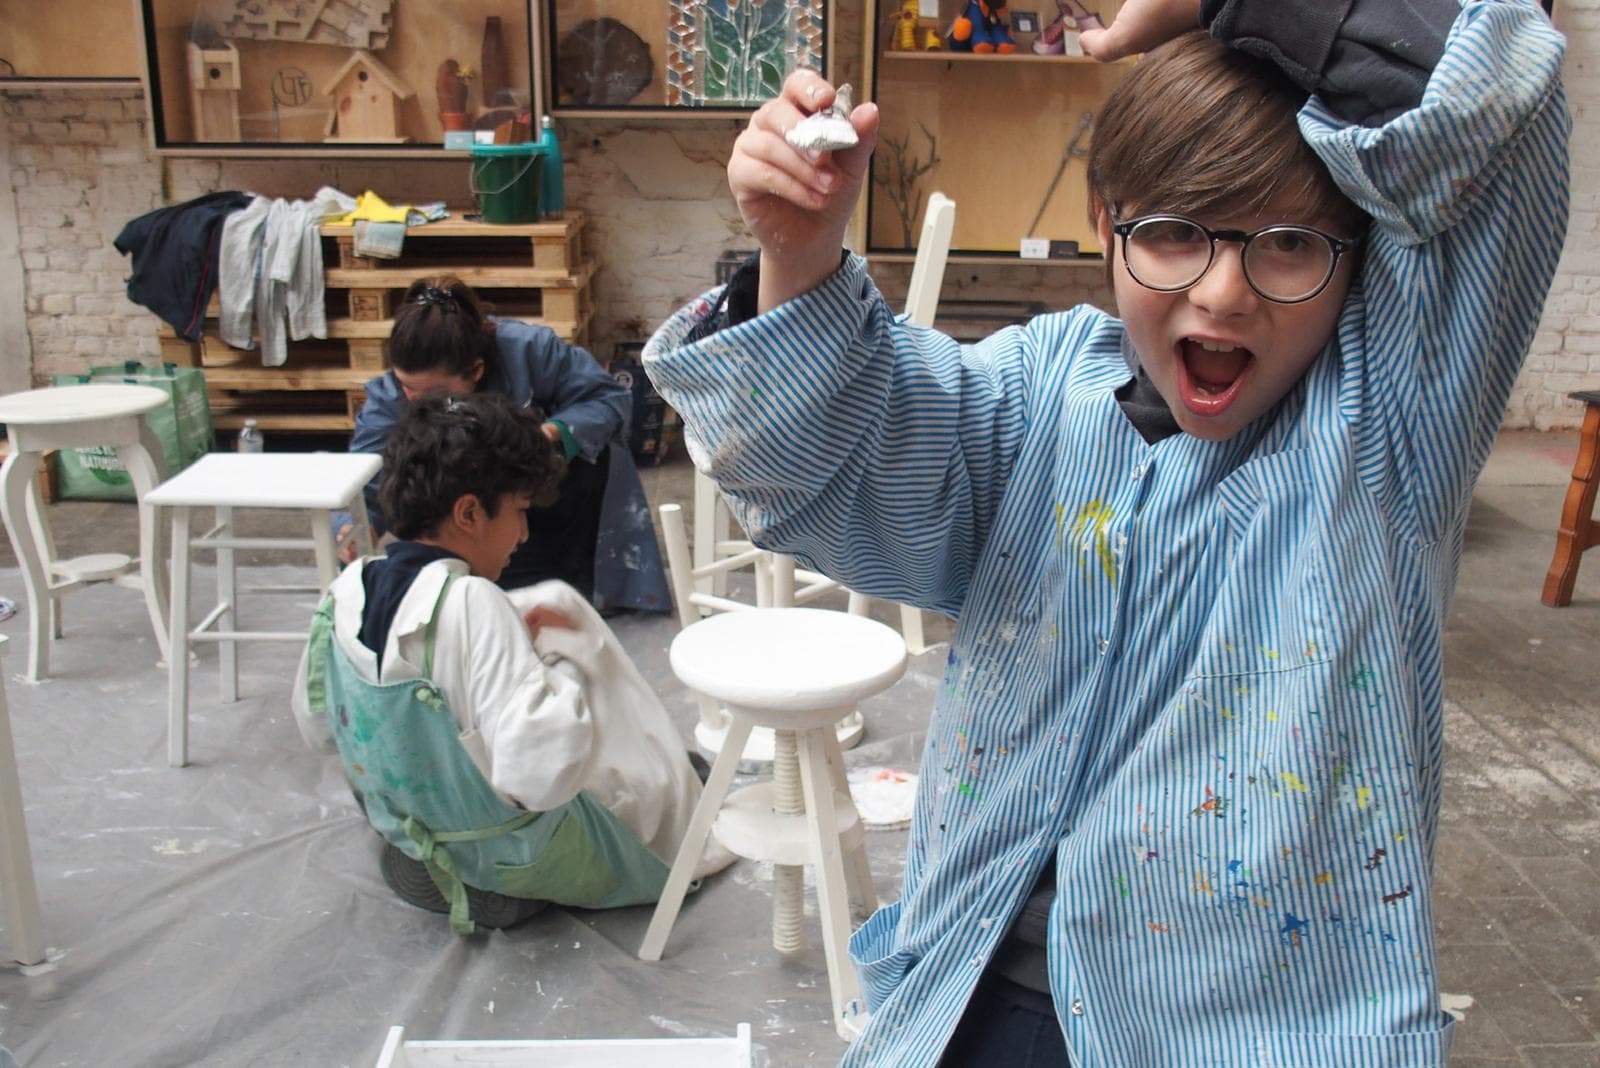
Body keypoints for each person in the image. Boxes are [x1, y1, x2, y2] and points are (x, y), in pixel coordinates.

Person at [644, 0, 1569, 1064]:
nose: (1223, 295)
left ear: (1356, 259)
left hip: (1243, 1037)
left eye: (1288, 246)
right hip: (969, 984)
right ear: (1104, 223)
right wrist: (798, 254)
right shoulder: (1041, 392)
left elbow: (1504, 95)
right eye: (1174, 234)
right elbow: (832, 457)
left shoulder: (1385, 428)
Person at [295, 392, 730, 934]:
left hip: (411, 817)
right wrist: (562, 665)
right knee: (654, 798)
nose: (524, 535)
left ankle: (431, 854)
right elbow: (540, 778)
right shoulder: (475, 603)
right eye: (520, 512)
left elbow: (318, 726)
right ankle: (504, 886)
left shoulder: (347, 589)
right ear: (470, 512)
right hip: (500, 848)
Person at [337, 274, 671, 615]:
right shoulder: (392, 395)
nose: (414, 399)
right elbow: (365, 474)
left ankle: (577, 583)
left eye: (432, 392)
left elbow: (609, 399)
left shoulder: (529, 349)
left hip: (550, 497)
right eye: (405, 385)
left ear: (477, 369)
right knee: (479, 605)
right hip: (473, 522)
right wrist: (352, 528)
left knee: (560, 602)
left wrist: (547, 436)